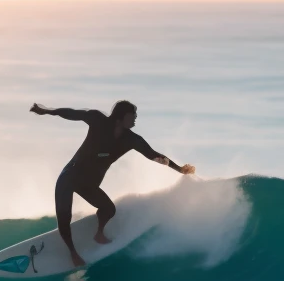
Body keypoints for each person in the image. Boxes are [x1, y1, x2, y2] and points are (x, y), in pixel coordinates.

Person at [31, 100, 194, 267]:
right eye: (133, 115)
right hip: (69, 177)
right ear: (122, 115)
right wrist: (47, 111)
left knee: (109, 209)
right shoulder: (97, 120)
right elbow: (71, 113)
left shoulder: (132, 140)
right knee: (65, 217)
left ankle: (99, 233)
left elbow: (153, 155)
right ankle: (72, 252)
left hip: (89, 184)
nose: (136, 118)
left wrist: (179, 169)